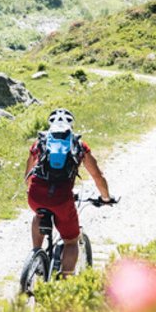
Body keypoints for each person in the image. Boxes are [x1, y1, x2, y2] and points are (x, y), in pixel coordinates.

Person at [24, 108, 111, 275]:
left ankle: (36, 258)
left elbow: (28, 176)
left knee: (39, 214)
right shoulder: (79, 146)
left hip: (36, 195)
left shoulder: (39, 143)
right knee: (71, 241)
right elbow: (97, 176)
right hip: (61, 199)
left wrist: (33, 191)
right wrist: (106, 197)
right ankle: (65, 281)